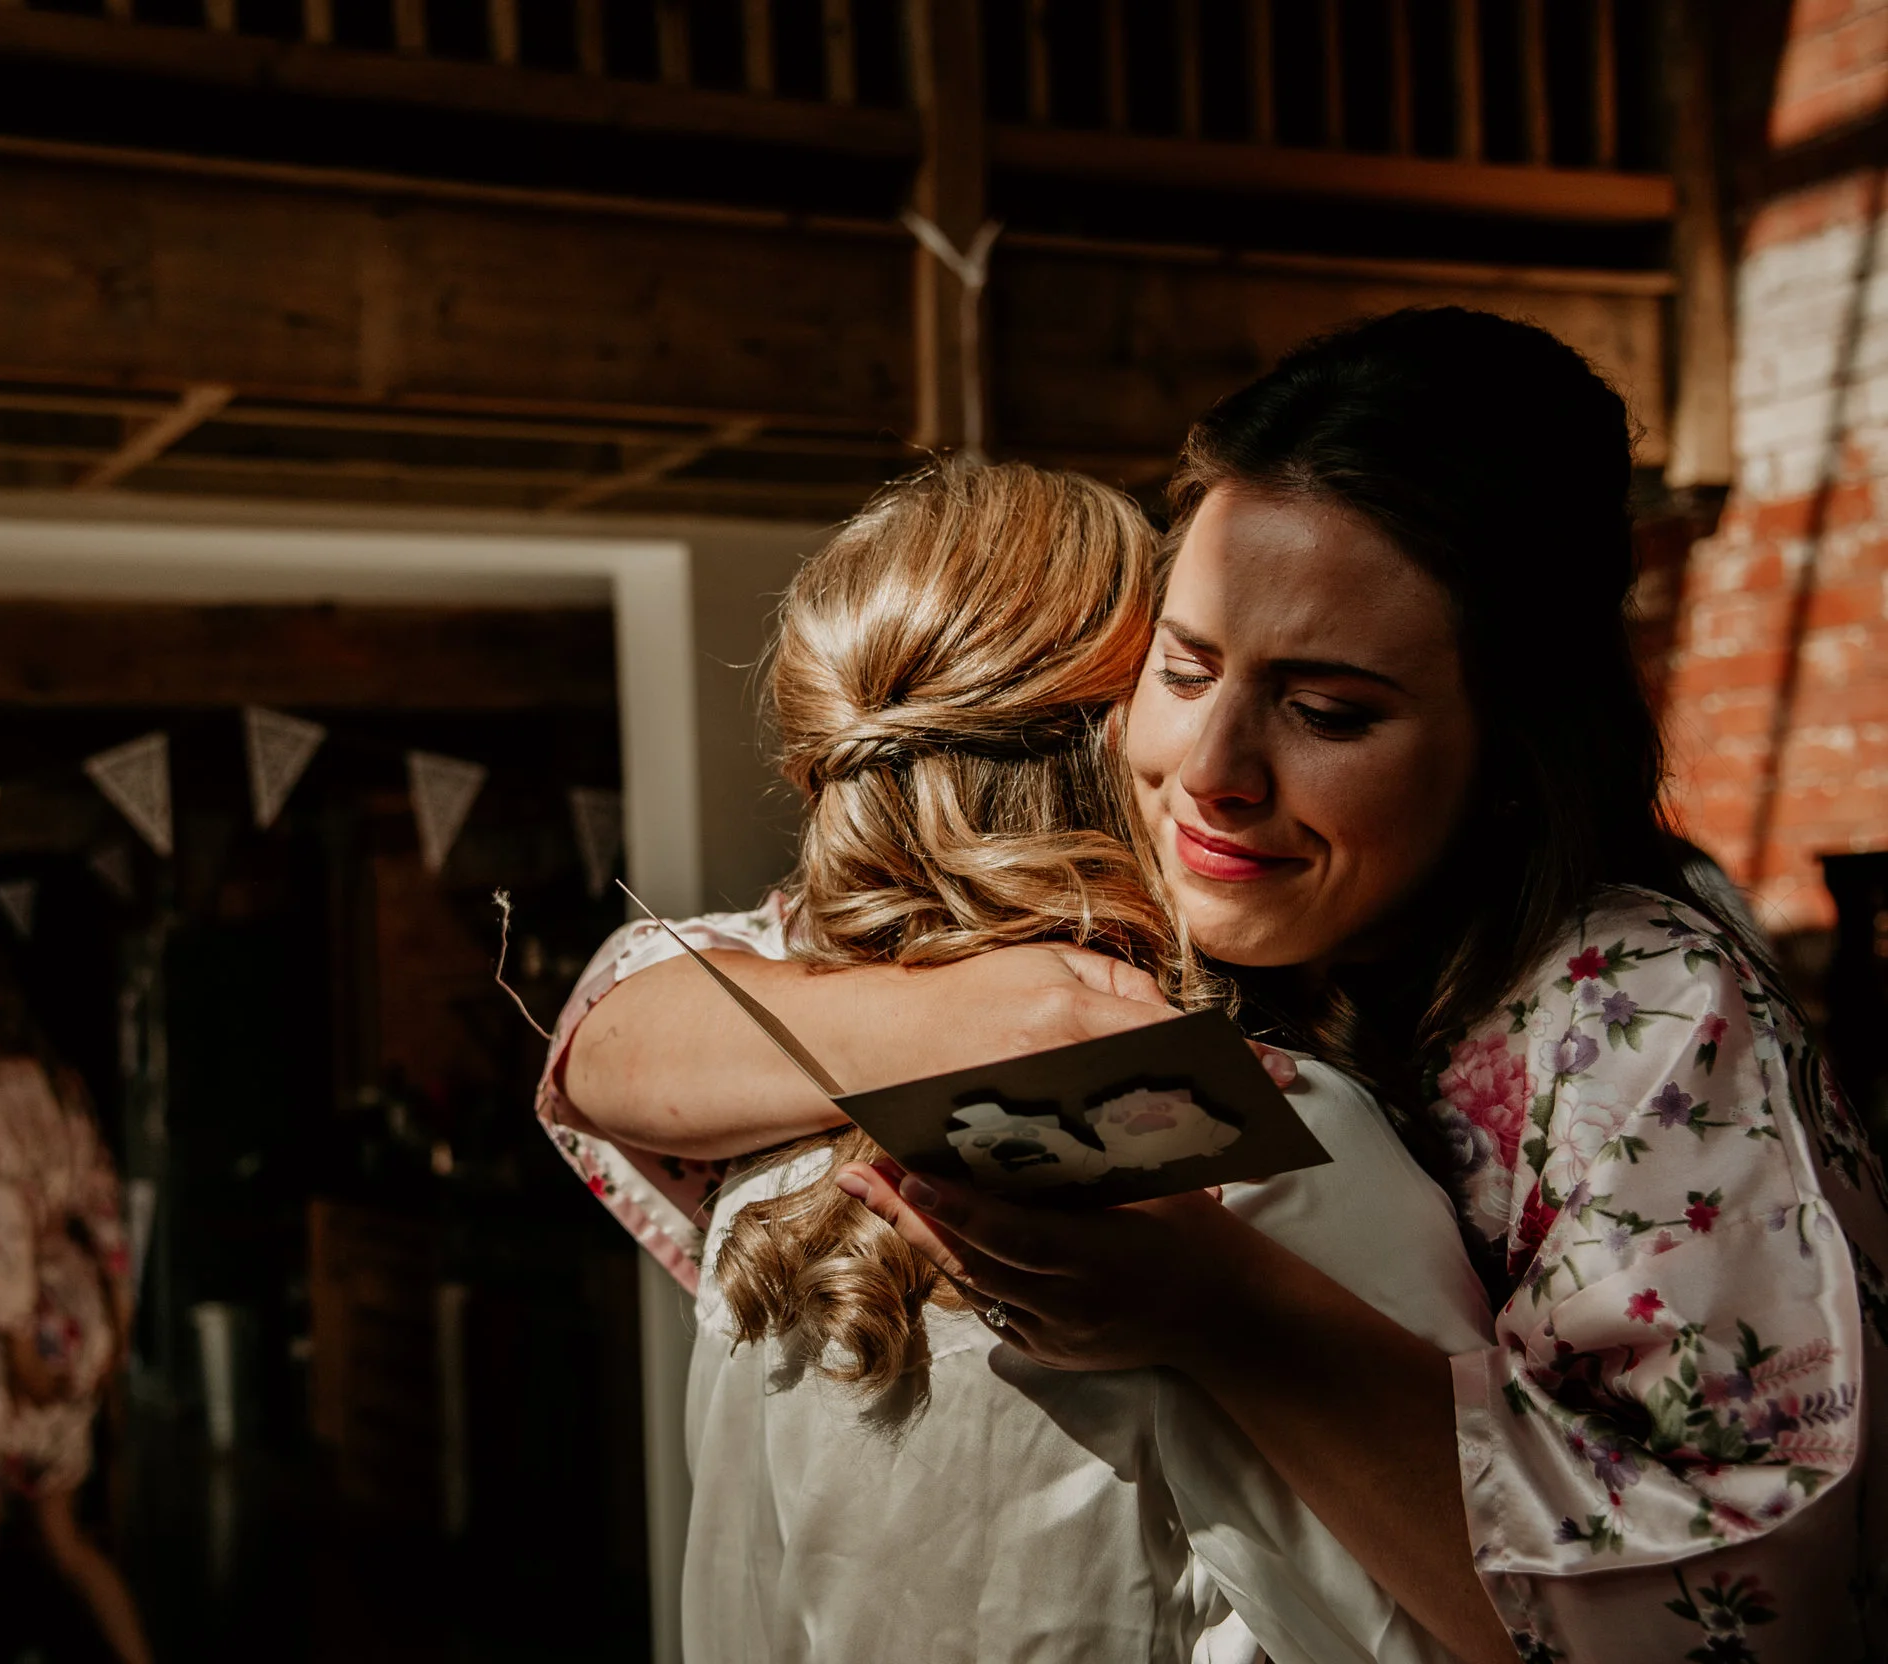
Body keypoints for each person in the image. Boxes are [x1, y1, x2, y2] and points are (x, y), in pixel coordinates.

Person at [552, 309, 1888, 1662]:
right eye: (1183, 669)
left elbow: (1735, 1628)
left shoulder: (1643, 1015)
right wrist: (977, 1017)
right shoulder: (1151, 875)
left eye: (1331, 712)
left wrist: (1226, 1314)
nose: (1212, 768)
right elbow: (612, 1036)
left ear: (1514, 745)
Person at [546, 457, 1494, 1662]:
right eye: (1187, 669)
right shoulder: (1256, 1158)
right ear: (1120, 727)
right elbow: (1522, 1621)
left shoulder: (758, 1156)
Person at [0, 944, 150, 1664]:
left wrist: (17, 1339)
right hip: (72, 1323)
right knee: (65, 1536)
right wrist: (116, 1320)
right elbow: (107, 1210)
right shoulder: (63, 1088)